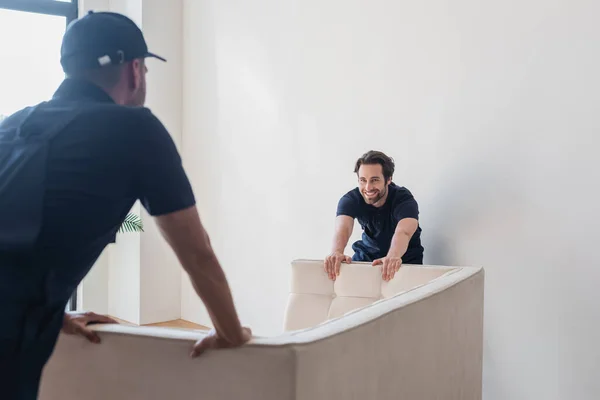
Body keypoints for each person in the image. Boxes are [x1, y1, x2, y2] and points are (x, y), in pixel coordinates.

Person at [0, 11, 250, 399]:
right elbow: (197, 253)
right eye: (146, 71)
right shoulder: (135, 130)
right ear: (134, 70)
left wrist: (51, 311)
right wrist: (231, 333)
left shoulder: (14, 124)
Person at [324, 150, 424, 282]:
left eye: (374, 180)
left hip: (404, 261)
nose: (368, 187)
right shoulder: (350, 199)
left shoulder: (403, 199)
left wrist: (393, 256)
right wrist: (336, 252)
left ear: (388, 180)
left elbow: (404, 232)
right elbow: (342, 229)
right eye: (363, 180)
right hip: (367, 259)